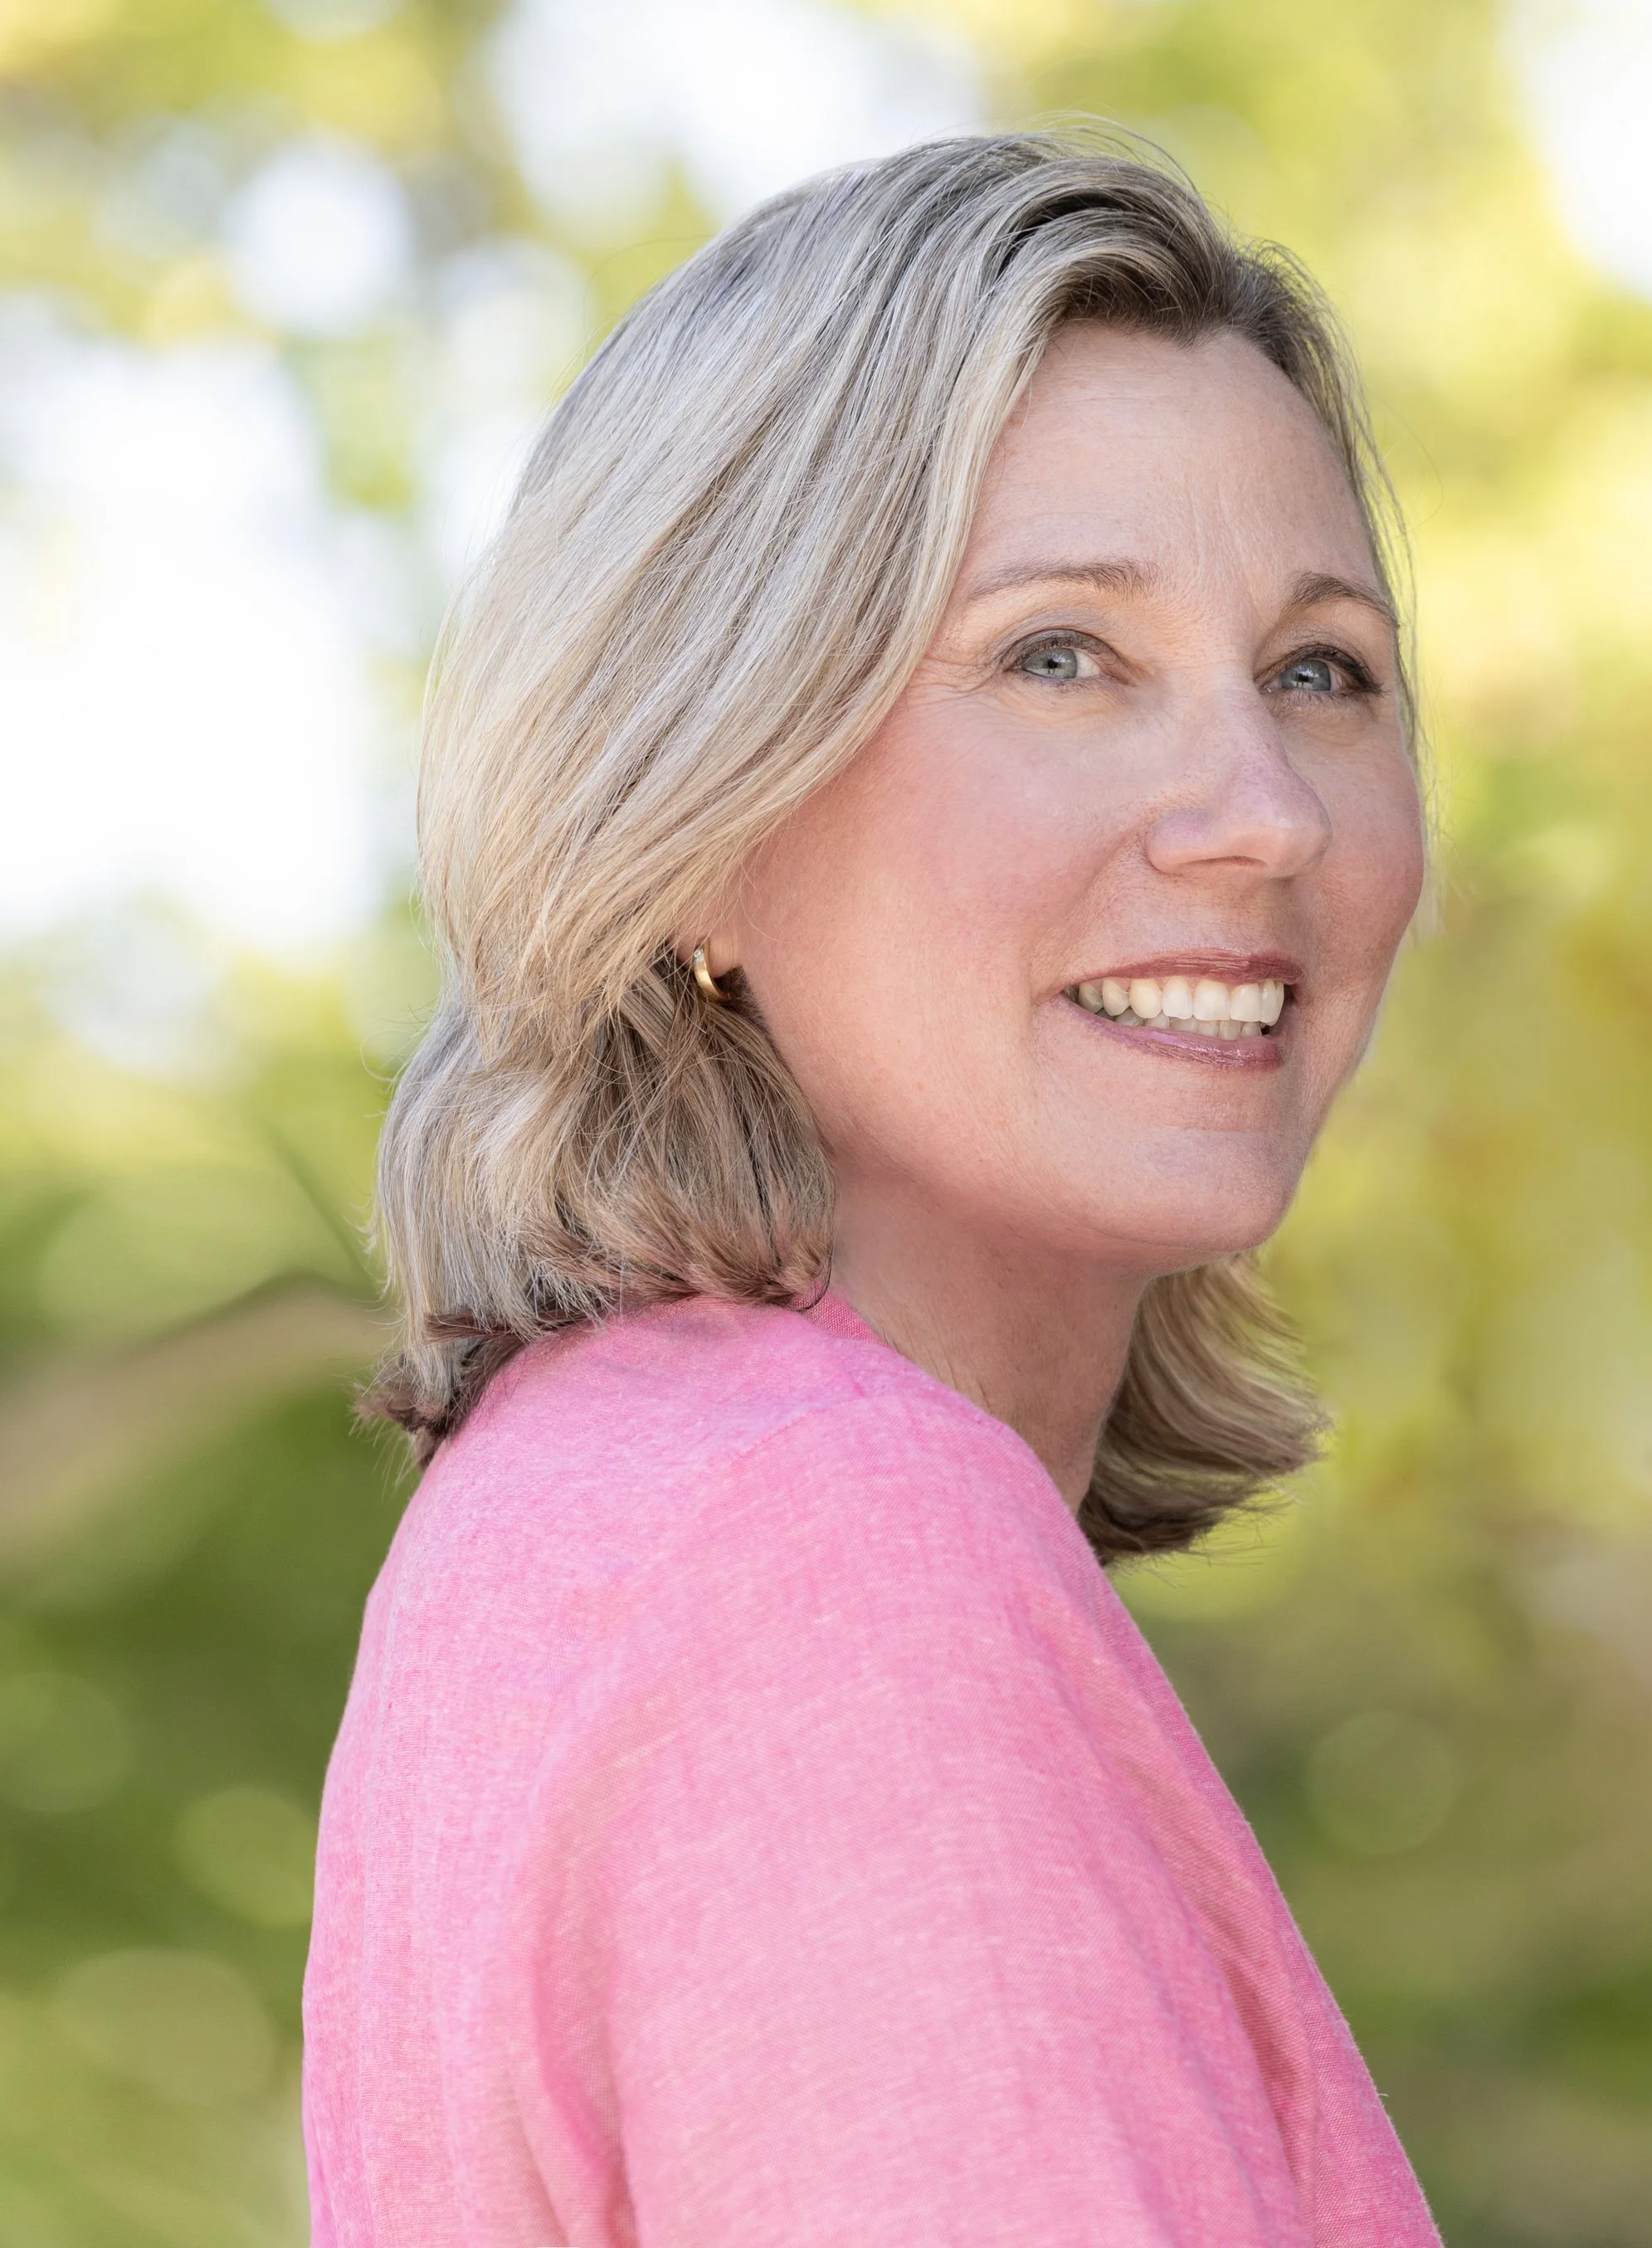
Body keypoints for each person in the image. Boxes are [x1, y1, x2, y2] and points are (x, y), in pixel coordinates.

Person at [305, 131, 1439, 2246]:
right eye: (1058, 656)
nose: (1263, 816)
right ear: (705, 805)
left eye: (1317, 671)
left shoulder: (620, 1507)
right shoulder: (825, 1550)